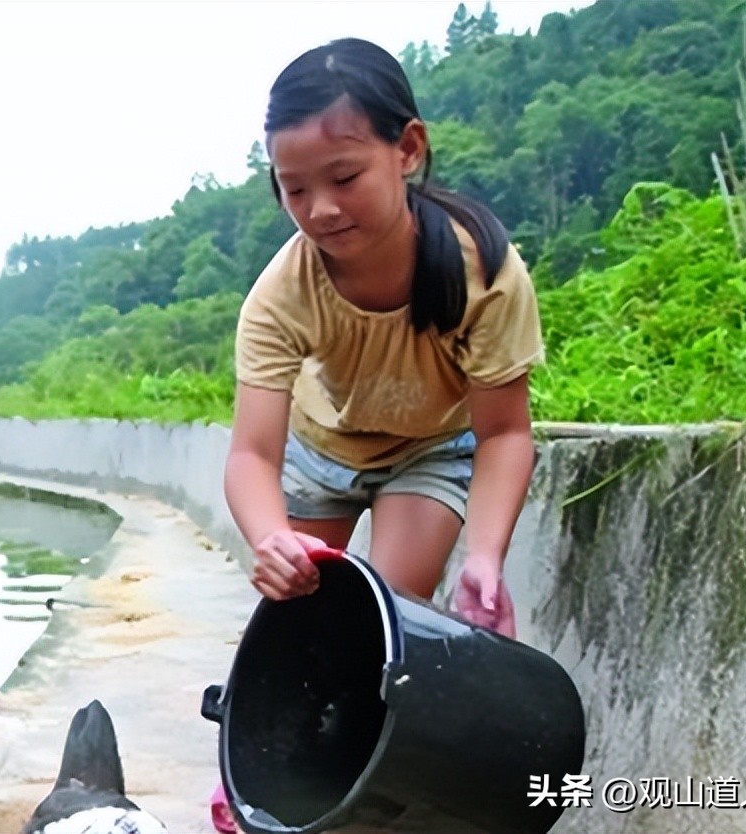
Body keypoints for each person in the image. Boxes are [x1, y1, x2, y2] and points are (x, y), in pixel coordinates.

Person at [210, 34, 543, 834]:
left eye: (345, 177)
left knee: (382, 628)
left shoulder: (483, 273)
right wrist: (269, 539)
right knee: (294, 618)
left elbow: (503, 434)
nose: (321, 208)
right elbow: (253, 453)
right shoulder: (282, 292)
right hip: (320, 456)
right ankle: (257, 769)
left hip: (431, 452)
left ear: (408, 150)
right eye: (294, 189)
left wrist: (487, 557)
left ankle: (348, 790)